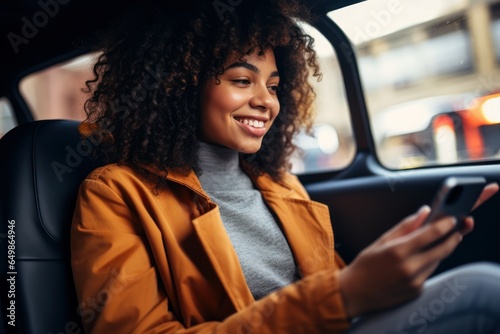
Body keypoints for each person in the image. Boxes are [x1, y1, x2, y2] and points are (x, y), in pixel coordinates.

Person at [70, 0, 500, 333]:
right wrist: (343, 295)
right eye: (242, 80)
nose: (266, 100)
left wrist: (380, 270)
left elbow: (331, 291)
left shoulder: (280, 184)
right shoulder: (114, 194)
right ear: (178, 86)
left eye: (273, 86)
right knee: (483, 291)